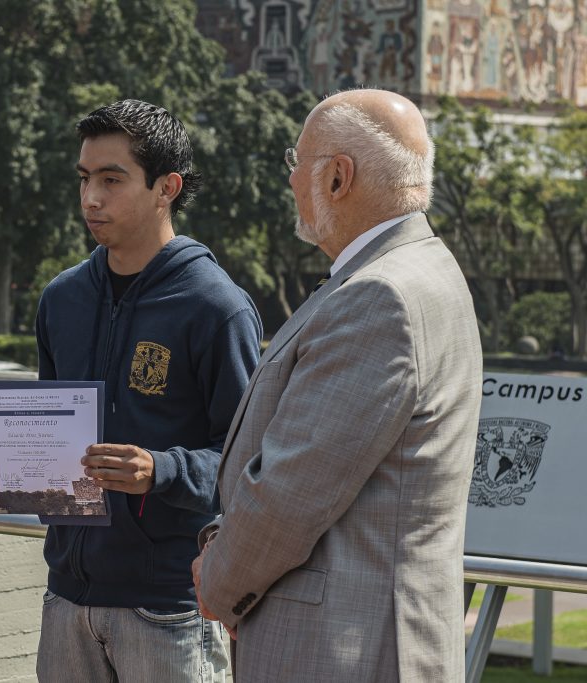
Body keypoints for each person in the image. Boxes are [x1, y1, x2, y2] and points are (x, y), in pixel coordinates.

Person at [0, 100, 262, 681]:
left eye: (112, 180)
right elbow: (50, 444)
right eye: (85, 178)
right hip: (66, 600)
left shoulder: (217, 308)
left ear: (166, 187)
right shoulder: (62, 299)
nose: (91, 197)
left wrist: (162, 469)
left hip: (170, 607)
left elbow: (251, 463)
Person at [193, 89, 482, 681]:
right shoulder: (419, 268)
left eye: (296, 162)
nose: (292, 180)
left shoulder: (379, 297)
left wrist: (219, 581)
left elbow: (291, 492)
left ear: (337, 178)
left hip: (341, 647)